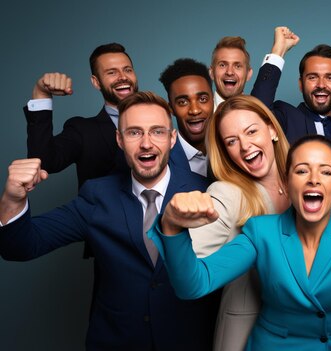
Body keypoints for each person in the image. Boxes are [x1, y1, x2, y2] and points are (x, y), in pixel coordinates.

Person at [149, 134, 331, 350]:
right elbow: (193, 285)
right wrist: (172, 227)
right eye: (301, 170)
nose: (314, 179)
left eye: (326, 172)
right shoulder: (261, 232)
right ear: (286, 181)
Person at [0, 92, 218, 350]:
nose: (146, 143)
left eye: (157, 132)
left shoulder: (208, 193)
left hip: (188, 341)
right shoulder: (97, 196)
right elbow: (21, 247)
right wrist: (11, 200)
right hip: (116, 341)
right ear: (119, 139)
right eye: (134, 133)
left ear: (172, 139)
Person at [189, 95, 291, 350]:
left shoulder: (304, 180)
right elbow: (189, 262)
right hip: (247, 331)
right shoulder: (227, 194)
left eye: (251, 131)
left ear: (271, 129)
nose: (245, 146)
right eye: (232, 141)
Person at [24, 43, 138, 189]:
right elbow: (44, 162)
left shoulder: (162, 123)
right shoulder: (82, 130)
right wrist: (41, 94)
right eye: (112, 72)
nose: (123, 77)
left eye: (127, 70)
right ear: (96, 82)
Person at [252, 38, 331, 144]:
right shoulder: (286, 118)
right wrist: (278, 52)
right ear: (300, 84)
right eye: (312, 77)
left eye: (330, 78)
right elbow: (257, 109)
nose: (321, 85)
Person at [159, 57, 217, 180]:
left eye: (202, 99)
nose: (195, 110)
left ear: (213, 100)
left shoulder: (230, 148)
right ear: (171, 108)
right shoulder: (160, 161)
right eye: (183, 102)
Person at [209, 36, 253, 110]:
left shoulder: (257, 110)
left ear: (248, 74)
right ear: (211, 72)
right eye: (222, 65)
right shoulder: (200, 113)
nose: (229, 72)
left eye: (237, 66)